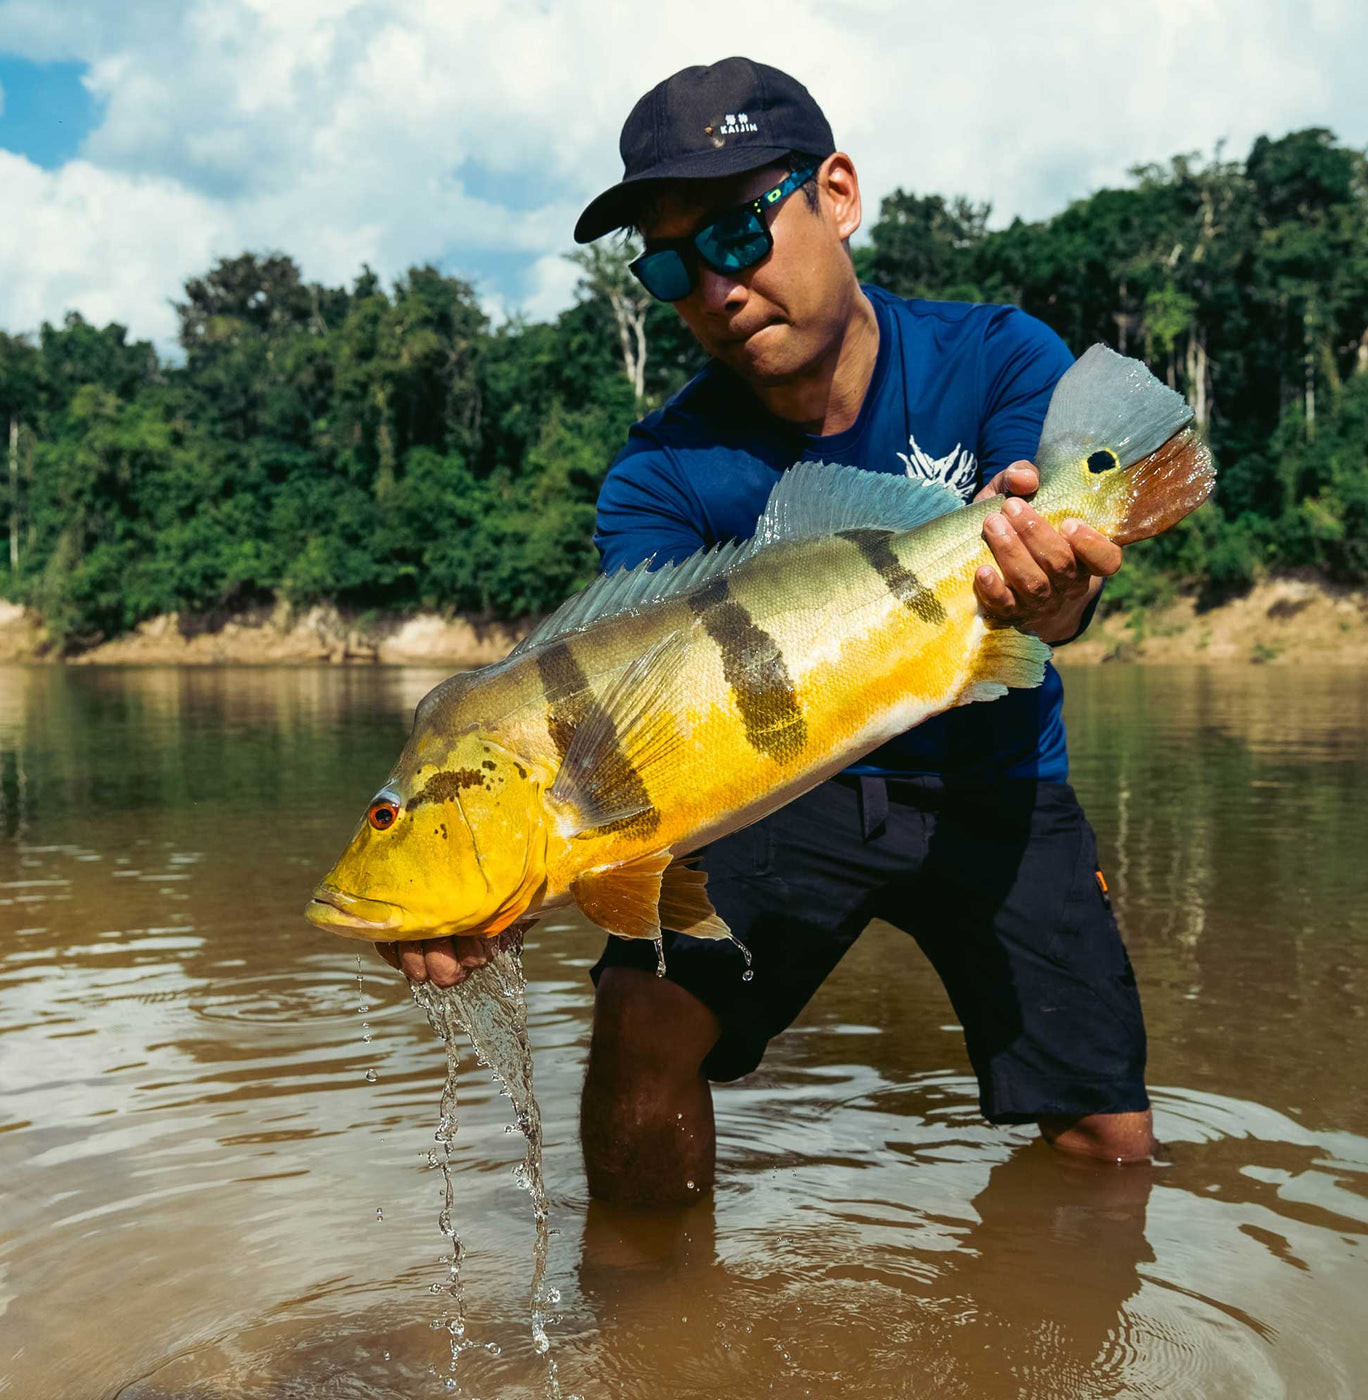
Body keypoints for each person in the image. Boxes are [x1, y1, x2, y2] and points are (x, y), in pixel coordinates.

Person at [384, 56, 1154, 1206]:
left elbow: (1059, 587)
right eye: (666, 262)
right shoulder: (658, 472)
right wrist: (508, 866)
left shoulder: (998, 358)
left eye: (736, 233)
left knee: (1108, 1136)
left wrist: (1056, 592)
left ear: (835, 196)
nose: (712, 285)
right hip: (777, 786)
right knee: (640, 1023)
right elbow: (633, 710)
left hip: (994, 768)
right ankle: (649, 1343)